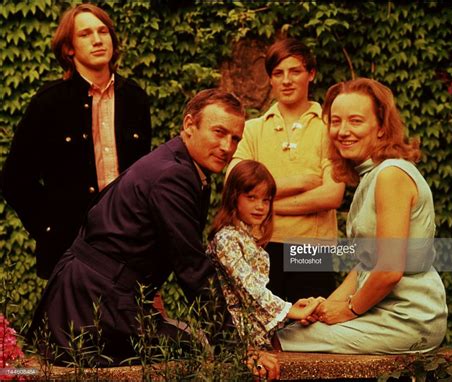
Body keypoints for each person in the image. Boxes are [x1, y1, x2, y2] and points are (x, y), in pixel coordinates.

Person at [27, 89, 245, 365]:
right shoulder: (173, 175)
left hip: (94, 295)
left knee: (186, 346)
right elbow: (192, 267)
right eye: (219, 132)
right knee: (187, 353)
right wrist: (236, 351)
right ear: (189, 125)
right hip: (91, 307)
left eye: (235, 138)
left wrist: (148, 292)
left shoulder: (180, 164)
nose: (227, 146)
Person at [276, 78, 448, 354]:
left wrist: (348, 309)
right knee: (295, 331)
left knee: (280, 342)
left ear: (381, 128)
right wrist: (323, 309)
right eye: (335, 121)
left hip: (407, 319)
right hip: (381, 312)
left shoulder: (391, 175)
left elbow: (390, 269)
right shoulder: (371, 176)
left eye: (355, 121)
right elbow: (363, 267)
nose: (343, 131)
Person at [1, 3, 151, 280]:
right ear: (69, 48)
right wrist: (50, 229)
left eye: (103, 31)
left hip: (130, 250)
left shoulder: (135, 99)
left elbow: (144, 177)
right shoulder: (49, 103)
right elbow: (15, 180)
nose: (97, 39)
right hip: (72, 254)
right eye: (85, 34)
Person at [228, 38, 344, 303]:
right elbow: (235, 187)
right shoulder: (252, 130)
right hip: (259, 244)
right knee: (266, 333)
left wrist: (265, 204)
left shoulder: (330, 128)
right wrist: (301, 181)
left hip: (312, 249)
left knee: (311, 331)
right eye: (278, 73)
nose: (286, 80)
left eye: (295, 71)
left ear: (311, 74)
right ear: (270, 79)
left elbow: (332, 195)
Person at [207, 160, 323, 349]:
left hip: (253, 331)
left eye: (266, 200)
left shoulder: (248, 238)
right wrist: (289, 310)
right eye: (252, 197)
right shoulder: (226, 238)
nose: (260, 206)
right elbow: (249, 289)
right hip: (232, 338)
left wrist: (292, 308)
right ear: (233, 197)